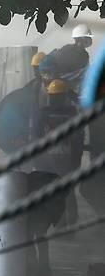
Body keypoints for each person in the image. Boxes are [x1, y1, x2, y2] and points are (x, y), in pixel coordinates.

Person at [33, 79, 84, 226]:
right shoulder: (73, 113)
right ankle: (71, 225)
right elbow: (79, 139)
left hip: (49, 162)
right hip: (67, 161)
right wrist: (77, 160)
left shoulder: (43, 114)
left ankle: (60, 225)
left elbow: (36, 139)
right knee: (69, 193)